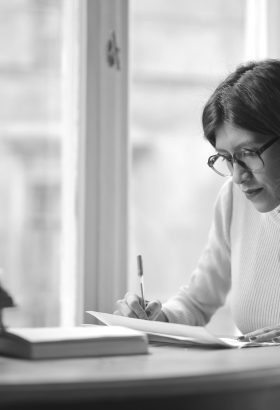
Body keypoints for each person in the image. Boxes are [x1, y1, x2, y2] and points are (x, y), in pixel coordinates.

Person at [115, 59, 280, 344]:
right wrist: (158, 319)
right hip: (257, 382)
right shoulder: (234, 200)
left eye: (248, 153)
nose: (238, 176)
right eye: (226, 159)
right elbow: (197, 300)